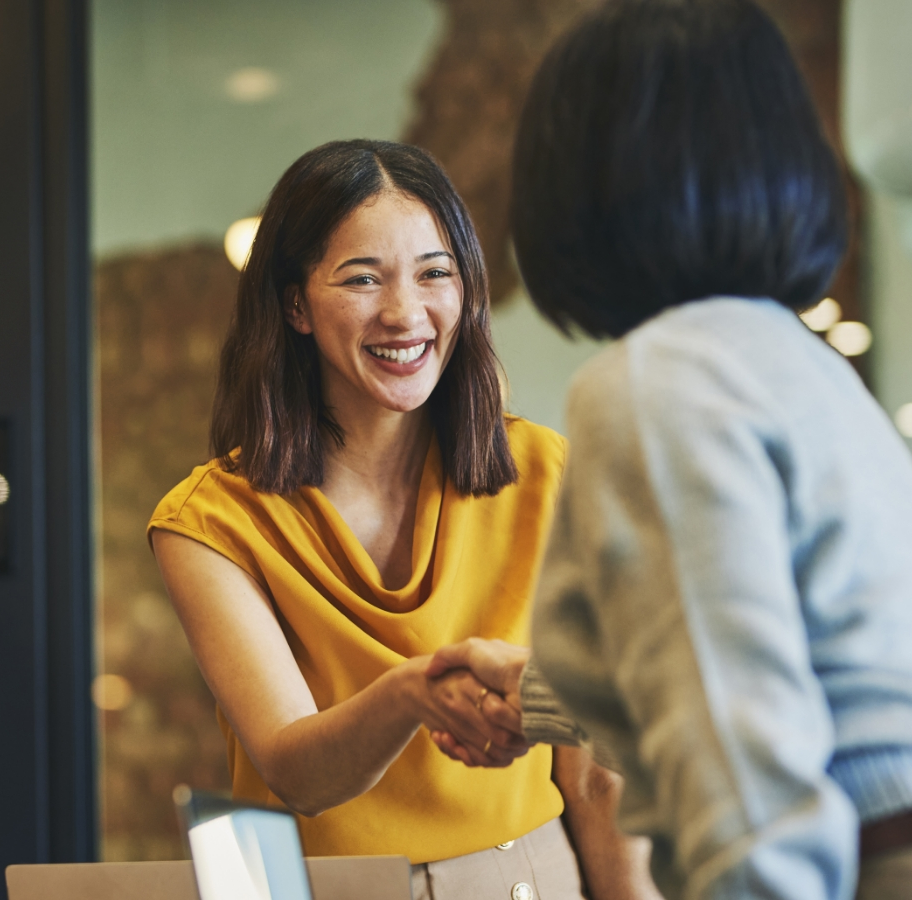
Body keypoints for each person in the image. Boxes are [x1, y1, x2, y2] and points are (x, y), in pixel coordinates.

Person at [424, 2, 912, 899]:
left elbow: (739, 758)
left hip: (877, 867)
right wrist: (535, 698)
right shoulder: (792, 364)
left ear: (581, 179)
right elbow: (775, 656)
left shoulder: (657, 385)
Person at [148, 139, 655, 900]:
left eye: (434, 274)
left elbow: (597, 779)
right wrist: (412, 692)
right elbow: (296, 772)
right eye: (361, 278)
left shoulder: (549, 474)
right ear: (295, 305)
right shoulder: (208, 523)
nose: (405, 312)